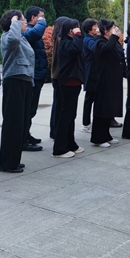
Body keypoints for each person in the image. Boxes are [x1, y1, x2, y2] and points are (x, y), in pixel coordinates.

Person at [0, 10, 34, 173]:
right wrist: (15, 22)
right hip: (14, 81)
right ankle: (7, 163)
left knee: (21, 123)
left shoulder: (22, 37)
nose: (25, 22)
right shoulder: (8, 36)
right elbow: (13, 40)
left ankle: (14, 159)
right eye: (22, 20)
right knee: (13, 123)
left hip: (25, 81)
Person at [52, 18, 84, 158]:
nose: (78, 30)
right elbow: (76, 49)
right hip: (68, 82)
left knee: (71, 115)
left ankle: (71, 144)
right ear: (71, 30)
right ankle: (59, 148)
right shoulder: (64, 42)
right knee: (65, 116)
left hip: (74, 82)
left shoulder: (71, 41)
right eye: (76, 28)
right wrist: (77, 35)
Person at [91, 20, 125, 147]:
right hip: (104, 80)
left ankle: (106, 135)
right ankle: (98, 138)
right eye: (112, 29)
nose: (115, 31)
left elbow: (119, 53)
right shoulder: (99, 42)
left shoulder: (112, 42)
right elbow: (106, 50)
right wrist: (114, 37)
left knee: (109, 109)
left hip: (113, 79)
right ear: (105, 31)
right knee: (102, 109)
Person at [21, 6, 48, 151]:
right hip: (33, 75)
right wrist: (42, 22)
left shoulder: (32, 30)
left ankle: (27, 134)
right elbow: (34, 34)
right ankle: (23, 138)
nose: (44, 19)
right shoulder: (28, 31)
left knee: (31, 109)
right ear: (33, 17)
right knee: (28, 109)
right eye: (41, 16)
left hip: (38, 74)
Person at [49, 17, 68, 139]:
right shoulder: (61, 39)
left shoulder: (57, 38)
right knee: (59, 105)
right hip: (59, 75)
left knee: (57, 104)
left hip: (56, 75)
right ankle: (56, 131)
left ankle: (54, 130)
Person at [81, 18, 99, 133]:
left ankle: (88, 122)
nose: (97, 28)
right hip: (90, 70)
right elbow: (95, 49)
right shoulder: (88, 39)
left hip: (93, 70)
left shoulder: (91, 39)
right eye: (95, 26)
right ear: (89, 28)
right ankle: (86, 123)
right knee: (89, 98)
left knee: (92, 97)